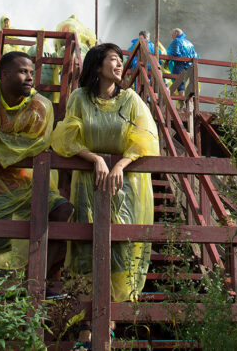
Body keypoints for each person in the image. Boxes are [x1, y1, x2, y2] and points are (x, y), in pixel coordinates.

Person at [51, 43, 160, 316]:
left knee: (120, 252)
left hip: (125, 187)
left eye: (121, 59)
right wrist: (96, 159)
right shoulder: (79, 98)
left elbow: (145, 139)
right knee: (86, 249)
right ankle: (87, 327)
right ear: (98, 65)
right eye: (113, 59)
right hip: (88, 183)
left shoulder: (131, 100)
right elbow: (67, 137)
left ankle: (108, 326)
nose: (120, 64)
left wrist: (120, 164)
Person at [0, 51, 73, 292]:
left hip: (23, 183)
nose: (30, 78)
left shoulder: (40, 106)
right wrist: (7, 144)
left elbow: (35, 145)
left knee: (62, 210)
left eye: (32, 73)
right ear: (4, 75)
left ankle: (38, 278)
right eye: (23, 72)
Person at [166, 28, 199, 93]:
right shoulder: (190, 43)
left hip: (179, 66)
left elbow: (175, 53)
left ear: (175, 33)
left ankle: (182, 102)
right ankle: (190, 102)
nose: (171, 36)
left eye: (172, 34)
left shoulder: (176, 41)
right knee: (189, 88)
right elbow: (195, 56)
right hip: (190, 67)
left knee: (180, 87)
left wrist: (167, 61)